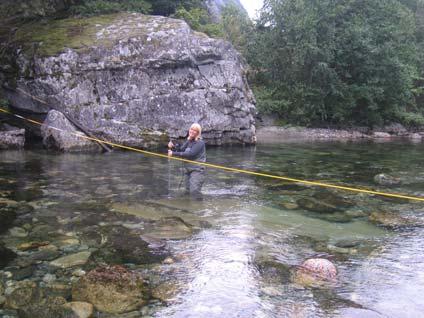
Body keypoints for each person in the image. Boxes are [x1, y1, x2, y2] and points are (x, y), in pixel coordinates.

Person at [168, 123, 206, 199]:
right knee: (188, 191)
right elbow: (181, 150)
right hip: (187, 170)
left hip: (197, 171)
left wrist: (173, 153)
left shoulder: (200, 143)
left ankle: (198, 208)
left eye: (195, 130)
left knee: (194, 192)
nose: (192, 131)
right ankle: (189, 208)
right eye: (191, 129)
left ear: (198, 133)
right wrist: (173, 147)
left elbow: (191, 154)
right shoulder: (189, 141)